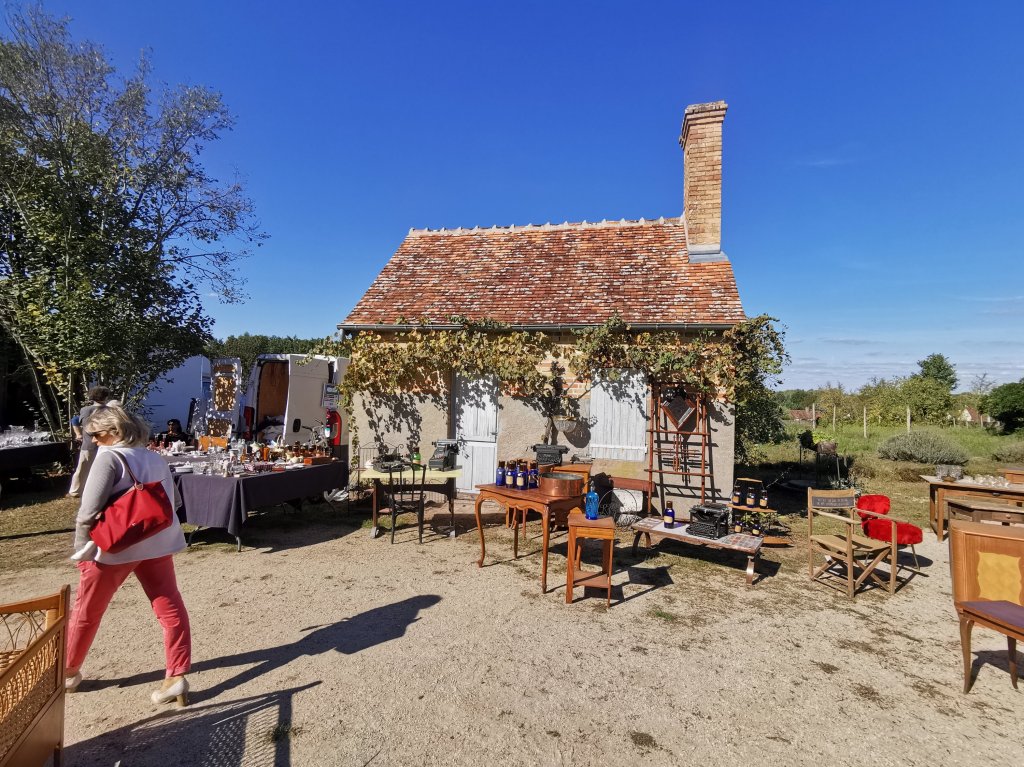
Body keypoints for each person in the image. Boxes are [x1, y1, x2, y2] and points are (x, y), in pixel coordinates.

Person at [65, 404, 192, 707]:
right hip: (157, 542)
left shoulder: (109, 458)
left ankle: (67, 671)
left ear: (114, 431)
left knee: (87, 612)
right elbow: (174, 501)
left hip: (114, 548)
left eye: (96, 434)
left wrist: (81, 550)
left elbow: (87, 512)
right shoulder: (155, 457)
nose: (93, 440)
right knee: (169, 605)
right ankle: (176, 675)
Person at [67, 385, 111, 497]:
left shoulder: (87, 410)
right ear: (105, 396)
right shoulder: (109, 410)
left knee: (84, 469)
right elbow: (87, 427)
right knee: (85, 468)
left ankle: (77, 491)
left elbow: (82, 424)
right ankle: (77, 491)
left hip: (95, 445)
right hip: (99, 445)